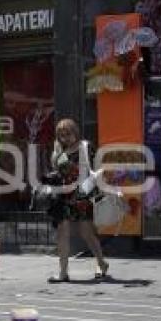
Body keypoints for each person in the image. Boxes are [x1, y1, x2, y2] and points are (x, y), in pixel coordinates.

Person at [47, 118, 109, 283]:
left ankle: (102, 263)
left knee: (86, 233)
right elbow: (57, 172)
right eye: (60, 135)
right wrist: (56, 154)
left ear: (75, 132)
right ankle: (62, 272)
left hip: (82, 195)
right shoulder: (60, 150)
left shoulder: (85, 147)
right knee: (62, 233)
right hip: (64, 196)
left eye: (67, 134)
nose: (64, 138)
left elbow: (97, 169)